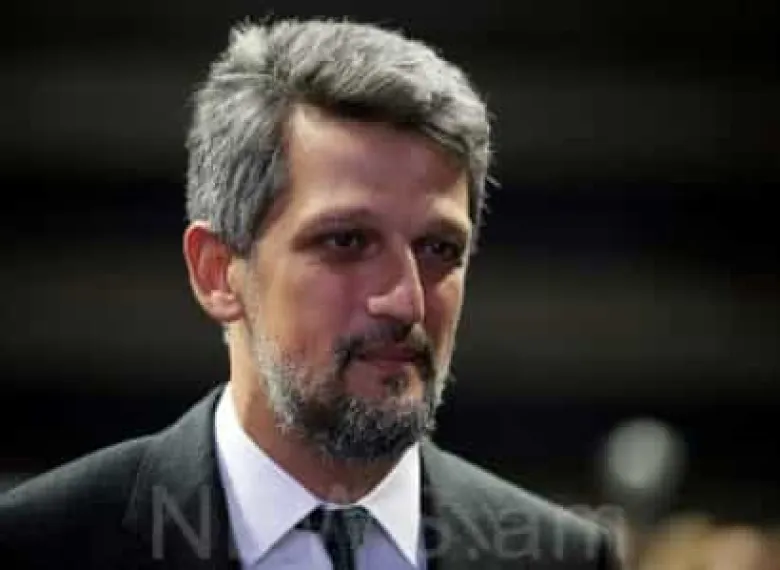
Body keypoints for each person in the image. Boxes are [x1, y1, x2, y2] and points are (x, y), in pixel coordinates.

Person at [0, 18, 622, 569]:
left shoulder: (561, 557)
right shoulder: (39, 546)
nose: (406, 302)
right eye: (347, 241)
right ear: (218, 272)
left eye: (438, 249)